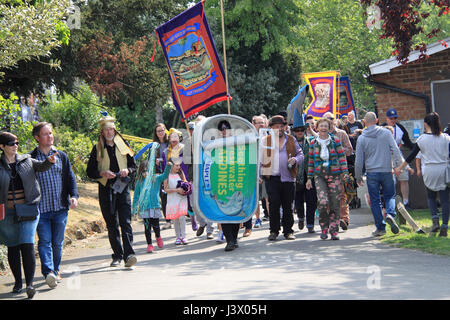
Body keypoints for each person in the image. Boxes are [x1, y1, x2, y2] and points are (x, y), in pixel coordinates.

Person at [0, 131, 57, 298]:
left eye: (17, 142)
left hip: (28, 210)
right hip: (8, 213)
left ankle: (30, 284)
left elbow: (41, 166)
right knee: (13, 247)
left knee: (27, 244)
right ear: (2, 146)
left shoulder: (26, 160)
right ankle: (18, 282)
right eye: (11, 143)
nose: (15, 146)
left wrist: (49, 161)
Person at [30, 122, 79, 289]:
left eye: (51, 133)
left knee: (57, 242)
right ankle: (48, 272)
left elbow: (70, 178)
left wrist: (74, 196)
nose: (50, 136)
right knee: (44, 241)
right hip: (40, 210)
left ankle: (56, 270)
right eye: (45, 134)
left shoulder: (61, 156)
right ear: (37, 138)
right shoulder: (31, 159)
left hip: (60, 208)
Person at [86, 115, 137, 268]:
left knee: (125, 221)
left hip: (122, 186)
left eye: (111, 129)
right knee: (111, 223)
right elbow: (90, 171)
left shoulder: (123, 145)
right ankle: (117, 255)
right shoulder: (97, 148)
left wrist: (127, 170)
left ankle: (129, 254)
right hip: (106, 188)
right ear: (102, 132)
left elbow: (134, 166)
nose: (109, 132)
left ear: (114, 130)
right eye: (106, 130)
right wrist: (102, 173)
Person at [396, 112, 450, 237]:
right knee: (445, 200)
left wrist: (400, 168)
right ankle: (445, 226)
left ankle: (435, 221)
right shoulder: (446, 138)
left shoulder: (422, 139)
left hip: (429, 171)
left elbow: (410, 157)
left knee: (431, 197)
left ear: (425, 124)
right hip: (444, 170)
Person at [355, 112, 402, 237]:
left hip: (371, 172)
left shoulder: (361, 138)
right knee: (390, 196)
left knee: (375, 201)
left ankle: (380, 228)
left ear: (364, 122)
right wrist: (398, 166)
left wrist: (358, 176)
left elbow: (358, 160)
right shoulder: (386, 133)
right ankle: (391, 215)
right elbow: (396, 150)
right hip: (387, 170)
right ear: (376, 120)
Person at [260, 115, 304, 241]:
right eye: (276, 127)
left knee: (288, 206)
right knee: (273, 205)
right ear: (271, 128)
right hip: (271, 177)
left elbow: (301, 154)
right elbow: (259, 158)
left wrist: (295, 159)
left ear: (284, 127)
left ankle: (288, 231)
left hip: (288, 178)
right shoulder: (265, 140)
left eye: (281, 127)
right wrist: (259, 174)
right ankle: (274, 231)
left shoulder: (290, 139)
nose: (279, 129)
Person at [306, 118, 349, 240]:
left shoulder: (335, 141)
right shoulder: (313, 143)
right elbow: (310, 162)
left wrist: (345, 172)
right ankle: (324, 227)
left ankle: (334, 230)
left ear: (329, 128)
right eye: (321, 126)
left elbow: (342, 157)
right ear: (317, 128)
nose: (323, 128)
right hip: (319, 176)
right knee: (323, 202)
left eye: (326, 126)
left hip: (335, 175)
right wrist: (309, 178)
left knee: (335, 203)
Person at [133, 148, 172, 252]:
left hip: (154, 206)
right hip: (144, 208)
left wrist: (168, 167)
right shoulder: (139, 183)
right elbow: (136, 196)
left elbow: (165, 175)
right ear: (140, 172)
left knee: (156, 225)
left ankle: (158, 237)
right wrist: (134, 208)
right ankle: (149, 244)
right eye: (143, 171)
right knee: (147, 227)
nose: (146, 173)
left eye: (147, 170)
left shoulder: (156, 178)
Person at [161, 128, 198, 232]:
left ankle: (192, 217)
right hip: (172, 180)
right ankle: (180, 232)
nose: (173, 139)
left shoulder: (185, 149)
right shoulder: (165, 152)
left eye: (176, 136)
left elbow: (191, 162)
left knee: (189, 201)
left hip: (185, 177)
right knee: (178, 203)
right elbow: (165, 168)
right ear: (168, 139)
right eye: (171, 137)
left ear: (179, 138)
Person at [323, 112, 353, 230]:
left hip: (340, 169)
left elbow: (350, 150)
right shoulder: (321, 136)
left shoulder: (342, 133)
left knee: (342, 195)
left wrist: (338, 151)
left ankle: (344, 219)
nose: (329, 121)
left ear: (334, 120)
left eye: (331, 118)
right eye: (326, 119)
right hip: (326, 170)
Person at [381, 108, 414, 210]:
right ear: (386, 118)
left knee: (404, 178)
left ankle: (406, 202)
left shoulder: (400, 128)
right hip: (386, 157)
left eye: (395, 118)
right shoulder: (381, 128)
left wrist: (417, 149)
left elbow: (408, 142)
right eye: (391, 118)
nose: (393, 120)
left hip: (398, 156)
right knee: (390, 181)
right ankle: (390, 204)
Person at [292, 111, 317, 233]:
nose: (300, 132)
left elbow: (322, 140)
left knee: (312, 201)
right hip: (296, 176)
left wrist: (311, 130)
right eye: (297, 130)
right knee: (299, 201)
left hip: (310, 174)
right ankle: (301, 218)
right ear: (294, 132)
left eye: (302, 129)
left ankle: (310, 223)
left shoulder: (312, 141)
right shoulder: (290, 143)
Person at [164, 157, 189, 245]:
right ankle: (178, 237)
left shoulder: (180, 173)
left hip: (181, 198)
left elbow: (185, 182)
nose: (178, 167)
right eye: (176, 165)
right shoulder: (166, 175)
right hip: (172, 199)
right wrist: (176, 190)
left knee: (182, 217)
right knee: (175, 219)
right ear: (171, 166)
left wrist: (185, 187)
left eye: (179, 165)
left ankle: (184, 236)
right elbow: (166, 189)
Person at [153, 123, 171, 230]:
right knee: (163, 196)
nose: (160, 133)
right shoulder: (154, 145)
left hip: (172, 171)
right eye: (158, 131)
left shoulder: (170, 142)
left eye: (162, 130)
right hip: (160, 173)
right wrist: (154, 161)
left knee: (175, 194)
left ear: (165, 130)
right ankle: (168, 220)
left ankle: (179, 216)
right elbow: (150, 160)